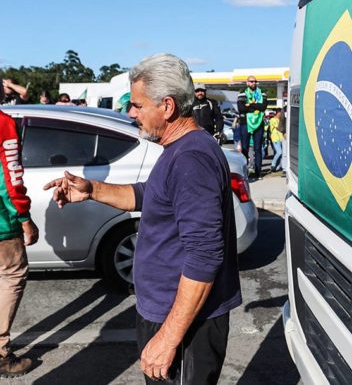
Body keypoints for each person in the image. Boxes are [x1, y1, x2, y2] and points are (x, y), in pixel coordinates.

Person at [43, 53, 242, 384]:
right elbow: (148, 195)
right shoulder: (177, 149)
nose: (129, 113)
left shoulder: (192, 158)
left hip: (185, 322)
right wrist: (90, 189)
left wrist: (168, 338)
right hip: (164, 312)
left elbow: (204, 256)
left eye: (136, 105)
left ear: (167, 106)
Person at [0, 83, 39, 377]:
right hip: (2, 223)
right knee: (13, 275)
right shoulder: (4, 123)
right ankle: (1, 353)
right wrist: (24, 216)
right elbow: (10, 176)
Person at [237, 76, 267, 179]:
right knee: (244, 148)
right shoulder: (242, 94)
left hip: (259, 123)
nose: (253, 83)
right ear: (247, 83)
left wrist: (249, 105)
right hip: (245, 123)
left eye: (254, 81)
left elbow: (263, 107)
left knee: (258, 148)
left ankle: (258, 173)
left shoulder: (262, 93)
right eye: (251, 81)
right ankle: (244, 172)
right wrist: (256, 105)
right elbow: (241, 108)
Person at [269, 108, 286, 172]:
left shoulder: (280, 120)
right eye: (280, 113)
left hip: (281, 138)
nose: (281, 114)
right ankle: (273, 165)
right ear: (277, 113)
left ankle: (277, 167)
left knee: (280, 153)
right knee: (279, 152)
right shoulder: (272, 120)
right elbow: (279, 127)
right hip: (275, 138)